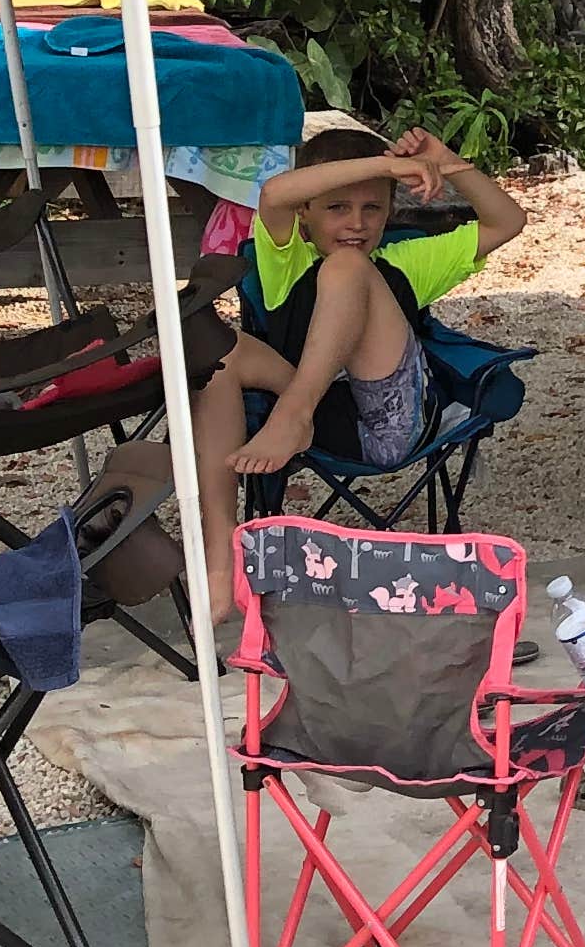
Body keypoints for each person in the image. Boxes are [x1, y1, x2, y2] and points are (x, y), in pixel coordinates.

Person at [193, 114, 525, 633]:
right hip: (318, 418)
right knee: (217, 354)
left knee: (349, 267)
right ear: (306, 215)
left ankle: (294, 413)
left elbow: (508, 221)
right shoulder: (285, 257)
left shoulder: (407, 261)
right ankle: (220, 568)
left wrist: (448, 164)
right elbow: (276, 192)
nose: (357, 224)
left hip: (383, 425)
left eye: (373, 207)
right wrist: (385, 165)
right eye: (337, 208)